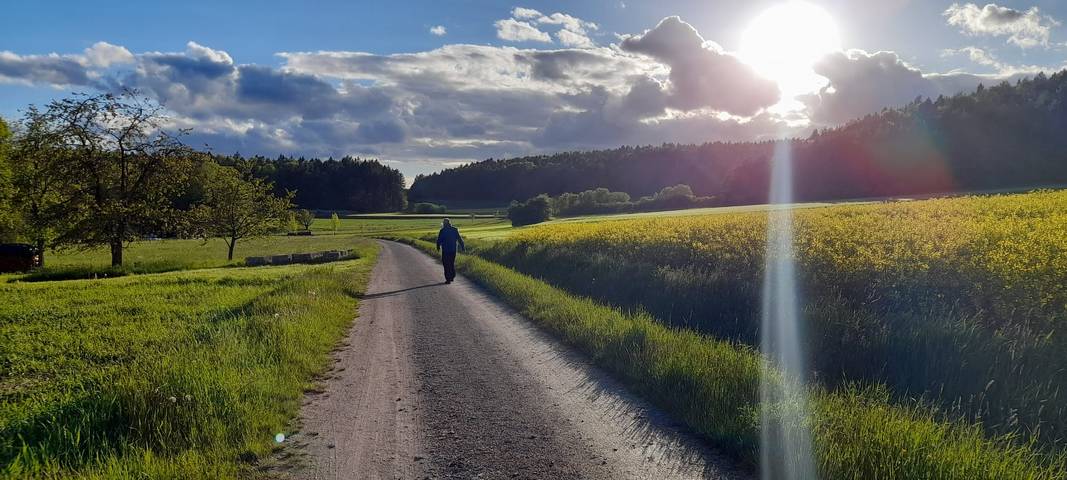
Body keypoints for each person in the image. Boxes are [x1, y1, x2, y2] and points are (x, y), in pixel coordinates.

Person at [435, 218, 465, 283]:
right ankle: (452, 276)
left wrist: (438, 247)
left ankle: (448, 279)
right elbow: (459, 239)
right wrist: (463, 247)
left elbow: (439, 240)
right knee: (451, 263)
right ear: (449, 223)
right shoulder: (454, 229)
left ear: (443, 224)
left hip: (445, 250)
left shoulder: (442, 230)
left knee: (446, 264)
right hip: (453, 250)